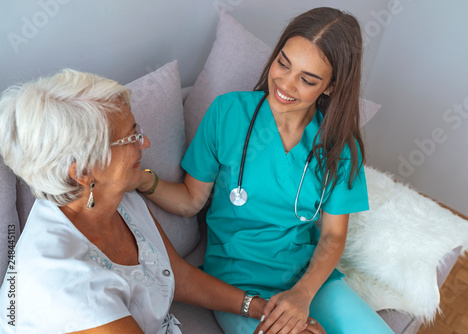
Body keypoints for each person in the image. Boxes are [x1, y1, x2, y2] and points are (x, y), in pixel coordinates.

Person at [0, 69, 327, 334]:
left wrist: (263, 310)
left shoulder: (114, 197)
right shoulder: (67, 287)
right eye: (132, 137)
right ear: (84, 171)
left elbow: (177, 275)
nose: (146, 141)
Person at [137, 7, 394, 334]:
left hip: (308, 278)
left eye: (307, 79)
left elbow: (332, 235)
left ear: (330, 87)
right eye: (283, 63)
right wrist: (141, 180)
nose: (285, 84)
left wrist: (303, 294)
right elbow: (190, 200)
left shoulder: (339, 149)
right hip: (238, 282)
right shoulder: (228, 113)